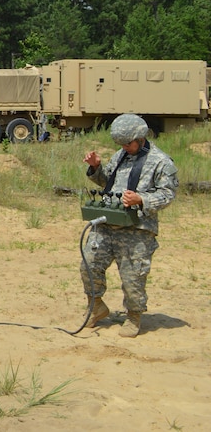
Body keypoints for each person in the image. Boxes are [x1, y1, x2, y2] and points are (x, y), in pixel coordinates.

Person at [81, 114, 177, 337]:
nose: (124, 147)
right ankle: (95, 307)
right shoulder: (121, 156)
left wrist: (141, 199)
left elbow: (168, 194)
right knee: (89, 264)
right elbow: (108, 184)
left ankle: (133, 316)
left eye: (128, 143)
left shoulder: (161, 162)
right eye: (121, 144)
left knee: (133, 276)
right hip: (107, 224)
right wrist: (96, 168)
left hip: (137, 229)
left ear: (140, 137)